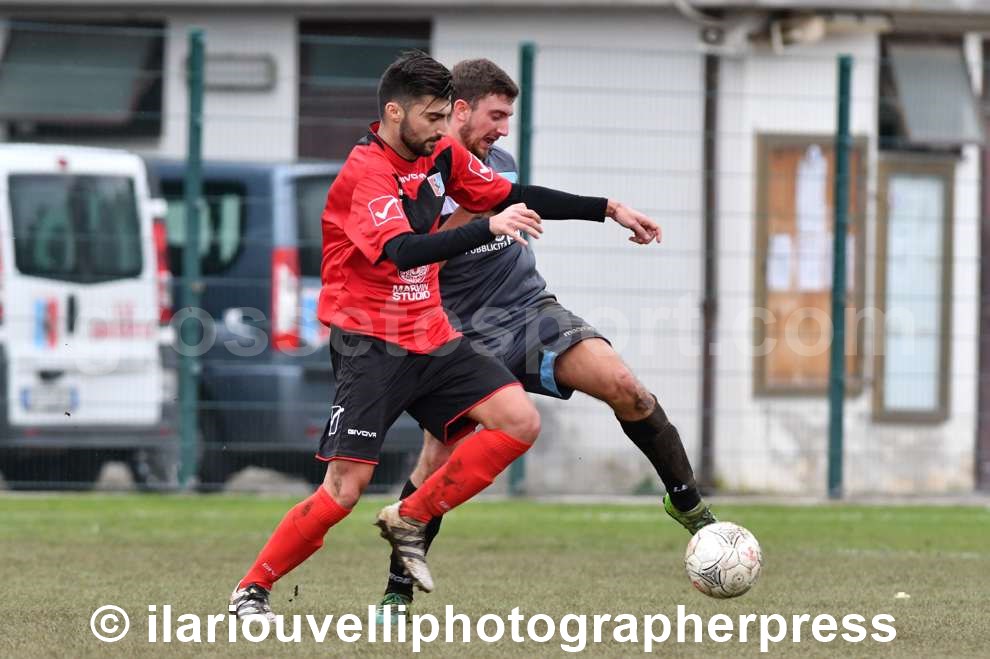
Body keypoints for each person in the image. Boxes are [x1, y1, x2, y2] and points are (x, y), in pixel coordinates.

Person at [229, 51, 662, 621]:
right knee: (344, 489)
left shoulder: (440, 154)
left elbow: (510, 193)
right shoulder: (367, 174)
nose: (442, 129)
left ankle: (410, 516)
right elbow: (403, 249)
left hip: (431, 333)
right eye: (432, 117)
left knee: (518, 420)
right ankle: (252, 588)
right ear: (395, 112)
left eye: (444, 117)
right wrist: (485, 228)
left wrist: (606, 208)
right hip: (370, 344)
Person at [375, 59, 717, 618]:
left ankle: (689, 506)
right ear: (459, 110)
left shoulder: (499, 163)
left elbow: (525, 199)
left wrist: (611, 209)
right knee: (438, 458)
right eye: (496, 116)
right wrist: (479, 216)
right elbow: (408, 257)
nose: (503, 129)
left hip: (531, 311)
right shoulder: (418, 176)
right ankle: (397, 590)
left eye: (508, 117)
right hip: (459, 332)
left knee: (626, 387)